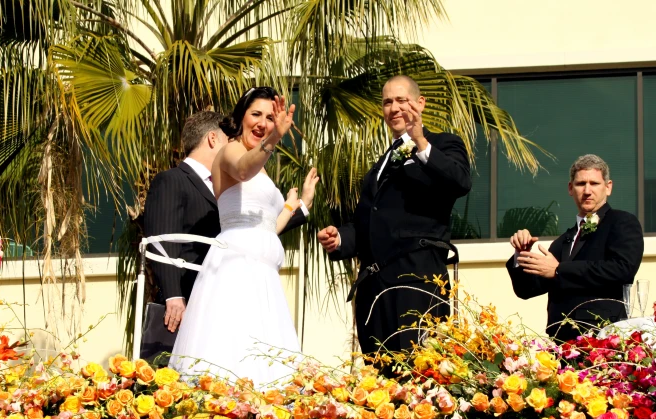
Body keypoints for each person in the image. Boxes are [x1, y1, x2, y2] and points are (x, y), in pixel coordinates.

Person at [169, 87, 319, 386]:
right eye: (256, 115)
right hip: (235, 269)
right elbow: (241, 171)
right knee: (233, 354)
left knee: (264, 363)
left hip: (264, 277)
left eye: (269, 116)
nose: (263, 123)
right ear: (241, 117)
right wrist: (275, 136)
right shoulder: (231, 150)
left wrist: (297, 204)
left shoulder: (261, 167)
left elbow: (267, 227)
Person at [317, 75, 470, 357]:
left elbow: (459, 181)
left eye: (402, 100)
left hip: (416, 283)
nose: (394, 108)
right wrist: (340, 238)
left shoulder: (443, 144)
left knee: (420, 380)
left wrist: (421, 142)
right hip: (374, 291)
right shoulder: (380, 164)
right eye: (387, 102)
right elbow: (369, 220)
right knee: (379, 386)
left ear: (420, 103)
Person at [143, 111, 310, 362]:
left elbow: (254, 227)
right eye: (229, 139)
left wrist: (300, 207)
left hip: (225, 292)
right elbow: (161, 239)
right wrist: (173, 295)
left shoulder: (227, 186)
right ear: (212, 139)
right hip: (186, 299)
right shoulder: (172, 180)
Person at [506, 154, 643, 342]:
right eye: (580, 184)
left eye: (594, 183)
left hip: (604, 339)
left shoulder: (622, 222)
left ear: (608, 187)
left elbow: (622, 269)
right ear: (571, 188)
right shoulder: (562, 241)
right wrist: (520, 255)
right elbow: (527, 290)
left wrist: (559, 270)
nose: (587, 190)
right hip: (561, 341)